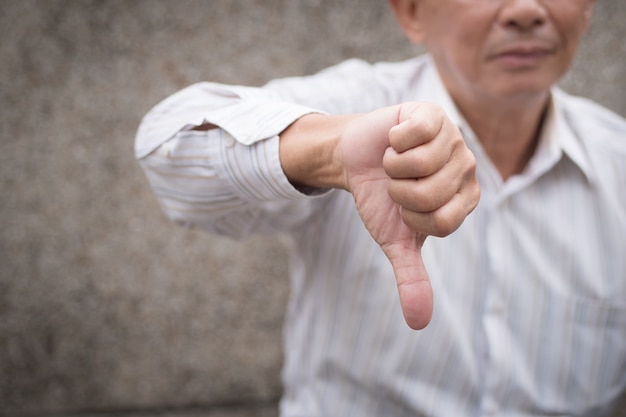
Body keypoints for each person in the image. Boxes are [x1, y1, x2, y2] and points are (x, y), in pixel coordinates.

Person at [135, 0, 626, 415]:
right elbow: (169, 150)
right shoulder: (359, 105)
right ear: (412, 12)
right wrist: (328, 151)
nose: (525, 10)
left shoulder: (617, 162)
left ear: (588, 11)